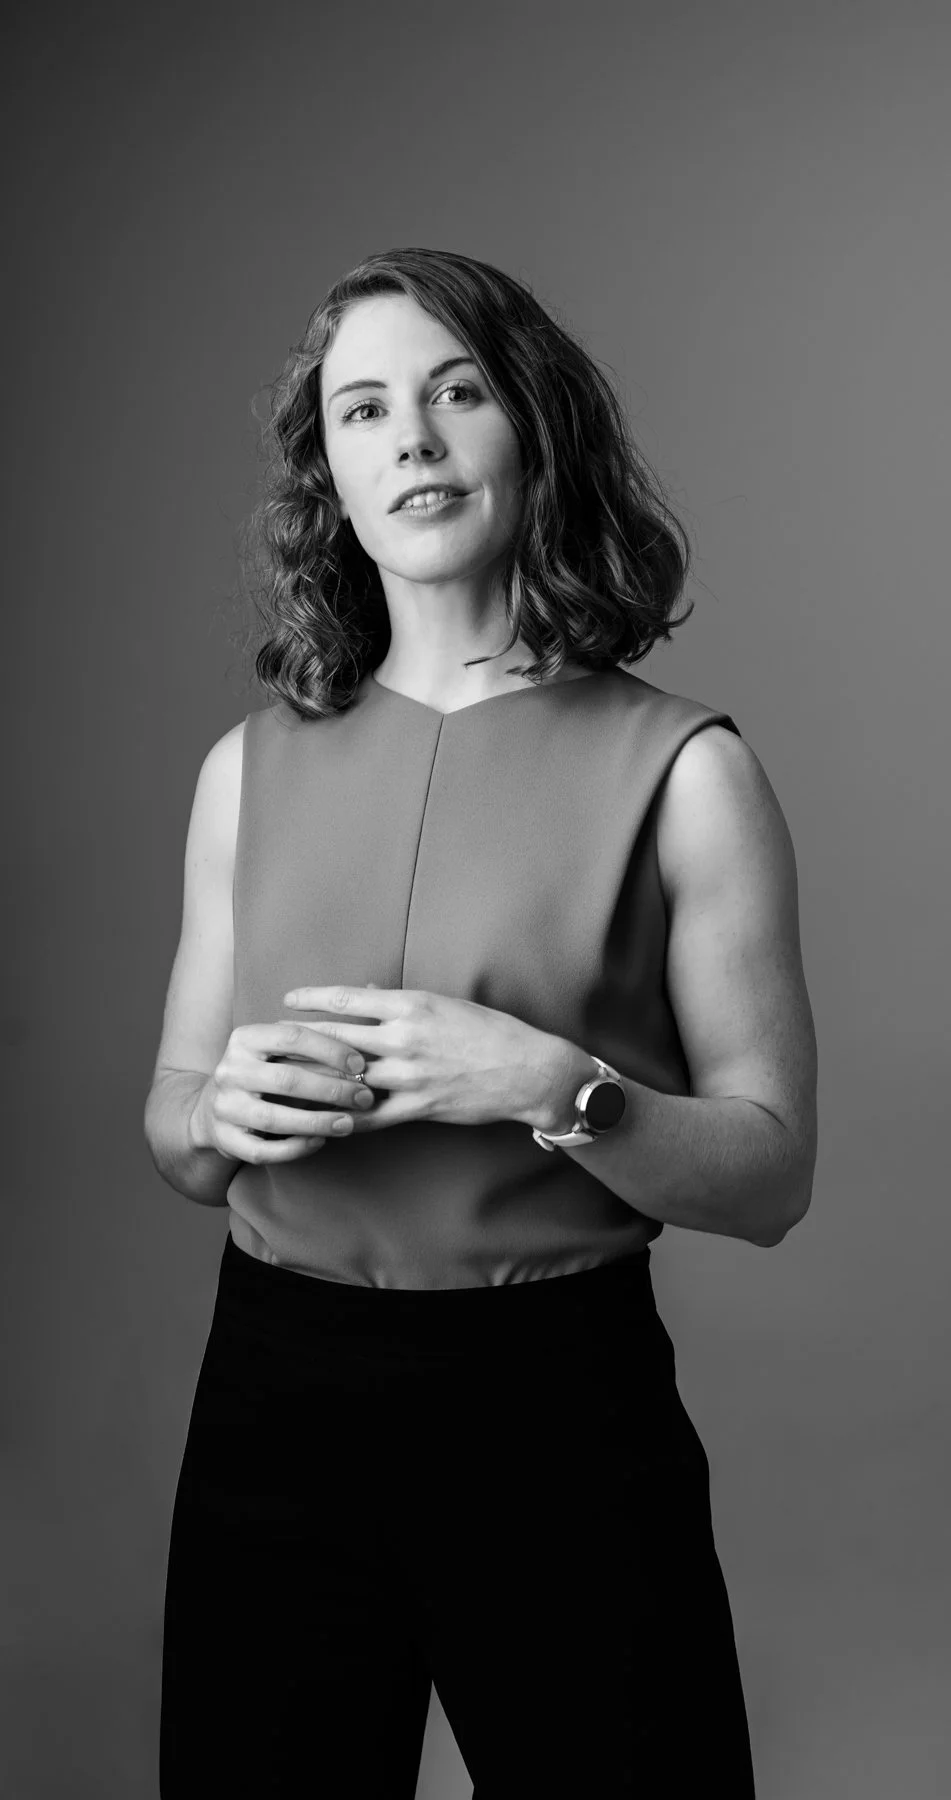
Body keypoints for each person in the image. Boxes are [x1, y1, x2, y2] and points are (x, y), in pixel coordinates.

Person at [144, 246, 818, 1799]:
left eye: (457, 392)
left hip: (556, 1403)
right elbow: (176, 1131)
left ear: (534, 425)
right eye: (365, 410)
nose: (414, 440)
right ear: (330, 473)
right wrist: (217, 1112)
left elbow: (774, 1176)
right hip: (274, 1397)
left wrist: (562, 1089)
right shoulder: (244, 771)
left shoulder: (690, 771)